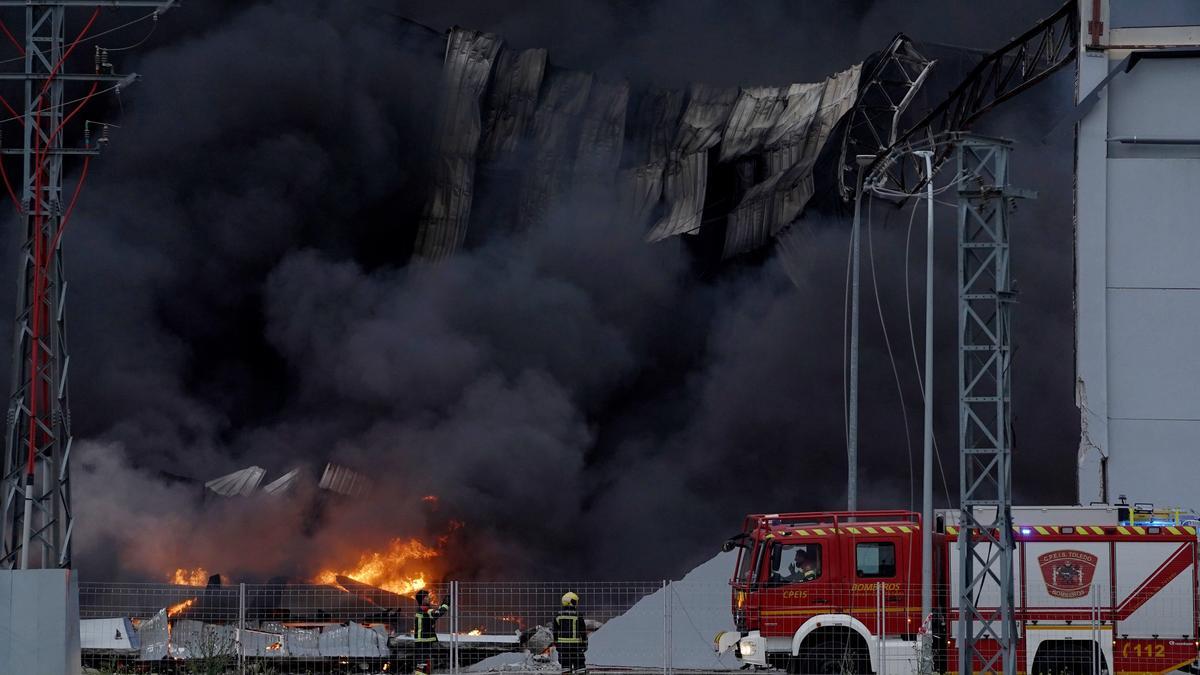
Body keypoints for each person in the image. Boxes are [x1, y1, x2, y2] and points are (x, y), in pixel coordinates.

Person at [412, 589, 449, 675]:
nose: (429, 598)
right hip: (423, 641)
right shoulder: (425, 609)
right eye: (427, 597)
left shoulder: (424, 609)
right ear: (423, 599)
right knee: (422, 663)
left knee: (425, 663)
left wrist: (442, 605)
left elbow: (434, 614)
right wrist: (446, 605)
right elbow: (436, 614)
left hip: (424, 641)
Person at [554, 591, 587, 674]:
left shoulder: (558, 615)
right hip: (576, 646)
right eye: (575, 601)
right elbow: (582, 631)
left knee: (566, 668)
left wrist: (556, 644)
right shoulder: (578, 615)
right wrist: (584, 643)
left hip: (563, 647)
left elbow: (555, 631)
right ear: (570, 602)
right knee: (580, 667)